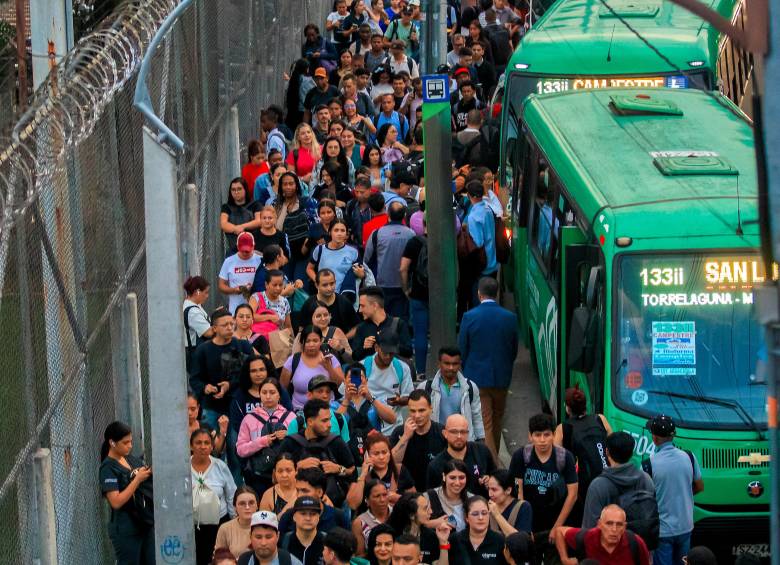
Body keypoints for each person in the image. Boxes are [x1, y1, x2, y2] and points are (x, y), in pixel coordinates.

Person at [458, 276, 518, 458]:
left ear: (479, 293)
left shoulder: (469, 317)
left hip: (476, 377)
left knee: (486, 422)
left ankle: (492, 463)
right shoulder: (510, 318)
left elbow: (463, 348)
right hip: (502, 377)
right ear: (497, 292)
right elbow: (513, 349)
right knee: (497, 419)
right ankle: (494, 456)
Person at [507, 414, 578, 563]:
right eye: (537, 435)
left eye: (547, 435)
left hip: (557, 522)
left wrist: (557, 528)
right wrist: (524, 526)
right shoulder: (521, 456)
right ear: (530, 436)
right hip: (531, 525)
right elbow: (517, 490)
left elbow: (573, 495)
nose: (542, 440)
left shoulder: (565, 457)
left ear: (554, 435)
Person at [643, 415, 704, 565]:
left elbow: (645, 498)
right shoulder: (689, 457)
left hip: (662, 531)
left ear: (655, 438)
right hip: (686, 527)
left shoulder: (648, 465)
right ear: (673, 435)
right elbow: (700, 486)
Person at [581, 431, 657, 544]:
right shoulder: (646, 479)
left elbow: (589, 529)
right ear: (631, 453)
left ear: (607, 452)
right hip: (638, 547)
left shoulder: (598, 485)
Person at [278, 399, 356, 507]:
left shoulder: (336, 441)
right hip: (296, 503)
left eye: (329, 420)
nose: (329, 425)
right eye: (324, 421)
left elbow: (352, 471)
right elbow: (275, 476)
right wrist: (296, 467)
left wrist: (339, 469)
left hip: (333, 504)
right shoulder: (290, 443)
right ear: (310, 421)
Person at [553, 386, 612, 524]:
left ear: (567, 408)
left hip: (582, 487)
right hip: (609, 477)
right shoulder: (600, 419)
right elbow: (612, 444)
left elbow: (557, 460)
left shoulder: (563, 429)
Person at [99, 421, 154, 565]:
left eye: (131, 441)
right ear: (112, 443)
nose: (130, 446)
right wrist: (136, 480)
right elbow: (116, 501)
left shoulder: (129, 458)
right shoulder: (108, 468)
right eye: (125, 442)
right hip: (126, 529)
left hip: (144, 522)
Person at [190, 309, 254, 429]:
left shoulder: (242, 346)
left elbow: (250, 374)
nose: (230, 328)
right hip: (211, 407)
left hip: (236, 404)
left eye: (231, 324)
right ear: (214, 328)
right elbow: (194, 379)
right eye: (225, 325)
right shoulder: (203, 350)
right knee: (209, 444)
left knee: (235, 444)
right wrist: (205, 388)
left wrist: (229, 385)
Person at [236, 377, 296, 494]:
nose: (268, 396)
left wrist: (288, 435)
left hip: (285, 473)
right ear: (259, 395)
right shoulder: (249, 419)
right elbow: (240, 450)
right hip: (258, 475)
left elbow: (299, 444)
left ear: (279, 395)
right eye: (264, 393)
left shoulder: (291, 417)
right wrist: (263, 441)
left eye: (272, 392)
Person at [191, 428, 237, 565]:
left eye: (206, 443)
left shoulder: (220, 467)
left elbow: (231, 495)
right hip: (191, 526)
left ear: (212, 446)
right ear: (191, 446)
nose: (203, 446)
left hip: (218, 526)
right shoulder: (183, 468)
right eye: (198, 443)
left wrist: (233, 521)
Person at [421, 347, 485, 442]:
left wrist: (481, 440)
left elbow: (476, 416)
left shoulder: (470, 387)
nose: (451, 368)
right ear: (439, 364)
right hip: (436, 442)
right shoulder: (426, 387)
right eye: (447, 363)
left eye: (455, 364)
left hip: (462, 442)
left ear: (460, 364)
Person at [364, 202, 415, 319]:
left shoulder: (377, 234)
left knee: (382, 320)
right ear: (404, 215)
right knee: (401, 321)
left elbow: (366, 260)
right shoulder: (411, 234)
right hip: (404, 284)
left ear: (388, 214)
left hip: (382, 284)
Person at [390, 389, 447, 492]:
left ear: (431, 409)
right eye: (413, 411)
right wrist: (405, 437)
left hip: (436, 493)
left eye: (421, 410)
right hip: (407, 495)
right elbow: (393, 463)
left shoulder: (442, 433)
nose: (417, 415)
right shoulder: (399, 432)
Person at [555, 504, 651, 565]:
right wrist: (565, 559)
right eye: (609, 523)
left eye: (619, 524)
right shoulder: (588, 537)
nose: (614, 529)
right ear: (599, 524)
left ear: (625, 527)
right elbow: (559, 531)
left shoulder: (635, 543)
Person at [427, 414, 495, 498]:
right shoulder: (436, 466)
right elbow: (433, 498)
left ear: (468, 433)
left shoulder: (481, 451)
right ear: (445, 433)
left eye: (463, 432)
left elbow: (496, 477)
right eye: (454, 432)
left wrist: (490, 480)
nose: (459, 436)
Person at [281, 326, 345, 410]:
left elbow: (341, 385)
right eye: (308, 341)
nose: (311, 344)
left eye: (315, 341)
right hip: (299, 410)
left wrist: (329, 367)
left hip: (328, 409)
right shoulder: (293, 360)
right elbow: (282, 388)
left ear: (321, 341)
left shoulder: (330, 358)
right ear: (302, 342)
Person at [347, 433, 414, 511]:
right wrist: (363, 475)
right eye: (376, 453)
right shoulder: (362, 476)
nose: (381, 457)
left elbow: (414, 501)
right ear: (367, 455)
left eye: (384, 452)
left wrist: (399, 499)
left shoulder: (400, 470)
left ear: (390, 453)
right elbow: (353, 505)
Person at [278, 467, 352, 535]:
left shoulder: (339, 517)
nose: (299, 495)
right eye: (297, 490)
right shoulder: (288, 516)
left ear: (319, 492)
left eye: (305, 491)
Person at [275, 172, 318, 283]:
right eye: (285, 184)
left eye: (291, 183)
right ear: (281, 187)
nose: (288, 187)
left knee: (300, 286)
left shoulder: (306, 202)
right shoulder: (275, 205)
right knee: (285, 286)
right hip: (282, 255)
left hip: (303, 253)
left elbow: (315, 226)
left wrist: (305, 246)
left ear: (297, 185)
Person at [350, 286, 413, 362]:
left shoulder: (398, 324)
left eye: (363, 306)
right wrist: (364, 347)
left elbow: (409, 352)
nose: (360, 310)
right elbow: (355, 357)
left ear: (375, 306)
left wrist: (391, 344)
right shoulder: (362, 328)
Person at [399, 223, 428, 377]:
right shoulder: (447, 239)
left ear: (423, 224)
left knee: (420, 333)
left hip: (418, 293)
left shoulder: (414, 242)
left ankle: (421, 371)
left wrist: (406, 289)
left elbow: (403, 268)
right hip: (443, 295)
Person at [448, 495, 508, 565]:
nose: (480, 517)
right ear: (466, 517)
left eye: (484, 513)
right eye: (475, 514)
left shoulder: (499, 540)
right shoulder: (455, 539)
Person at [387, 493, 441, 563]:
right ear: (412, 515)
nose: (431, 512)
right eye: (425, 509)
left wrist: (443, 542)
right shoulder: (390, 537)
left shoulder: (431, 536)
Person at [219, 232, 263, 315]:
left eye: (248, 251)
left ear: (253, 246)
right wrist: (234, 290)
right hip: (235, 309)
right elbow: (221, 286)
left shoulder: (260, 260)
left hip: (257, 308)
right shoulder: (229, 261)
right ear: (237, 247)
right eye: (243, 250)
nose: (245, 253)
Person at [237, 510, 303, 565]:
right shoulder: (243, 561)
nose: (263, 543)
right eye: (258, 537)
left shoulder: (291, 562)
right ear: (250, 536)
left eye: (268, 537)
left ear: (278, 536)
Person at [424, 459, 471, 532]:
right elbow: (415, 524)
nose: (457, 483)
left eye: (461, 478)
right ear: (444, 476)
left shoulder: (472, 499)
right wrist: (432, 523)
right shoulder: (428, 497)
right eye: (452, 478)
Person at [221, 177, 263, 256]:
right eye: (233, 190)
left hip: (254, 248)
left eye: (239, 189)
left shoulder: (255, 204)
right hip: (234, 249)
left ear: (245, 190)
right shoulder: (226, 207)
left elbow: (259, 221)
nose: (236, 192)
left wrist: (242, 226)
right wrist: (236, 229)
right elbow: (224, 224)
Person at [279, 496, 326, 565]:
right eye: (303, 513)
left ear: (318, 517)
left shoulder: (328, 541)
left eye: (313, 514)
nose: (308, 518)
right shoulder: (284, 541)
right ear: (294, 517)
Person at [215, 486, 259, 559]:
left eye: (251, 503)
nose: (247, 507)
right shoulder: (225, 528)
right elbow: (219, 558)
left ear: (257, 505)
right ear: (235, 507)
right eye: (242, 503)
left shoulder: (265, 525)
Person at [351, 479, 392, 555]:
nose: (382, 500)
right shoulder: (359, 523)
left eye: (385, 495)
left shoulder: (397, 513)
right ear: (367, 500)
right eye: (377, 496)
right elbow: (360, 555)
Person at [183, 275, 214, 372]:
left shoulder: (195, 305)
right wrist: (221, 324)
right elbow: (208, 332)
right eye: (206, 292)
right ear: (197, 292)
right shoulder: (192, 311)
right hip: (194, 351)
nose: (207, 296)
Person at [487, 469, 532, 535]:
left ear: (508, 490)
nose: (490, 494)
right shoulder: (487, 506)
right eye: (488, 489)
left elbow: (521, 541)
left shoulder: (523, 507)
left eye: (494, 489)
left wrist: (497, 515)